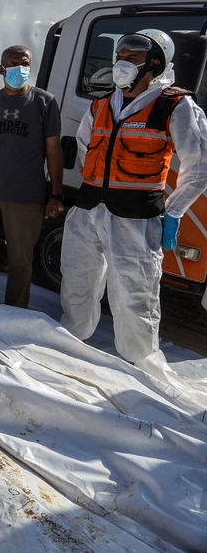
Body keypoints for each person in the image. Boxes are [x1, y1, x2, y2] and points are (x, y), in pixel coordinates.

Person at [61, 29, 207, 364]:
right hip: (88, 209)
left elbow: (199, 166)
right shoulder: (101, 104)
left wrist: (175, 211)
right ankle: (69, 346)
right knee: (77, 282)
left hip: (136, 218)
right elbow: (84, 149)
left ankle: (139, 364)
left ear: (155, 63)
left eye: (132, 58)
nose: (122, 63)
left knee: (135, 295)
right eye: (120, 57)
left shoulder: (173, 105)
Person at [0, 45, 63, 308]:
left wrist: (56, 195)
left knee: (20, 261)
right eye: (13, 64)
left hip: (25, 197)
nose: (20, 69)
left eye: (24, 64)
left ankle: (14, 314)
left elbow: (54, 151)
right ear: (1, 69)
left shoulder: (45, 102)